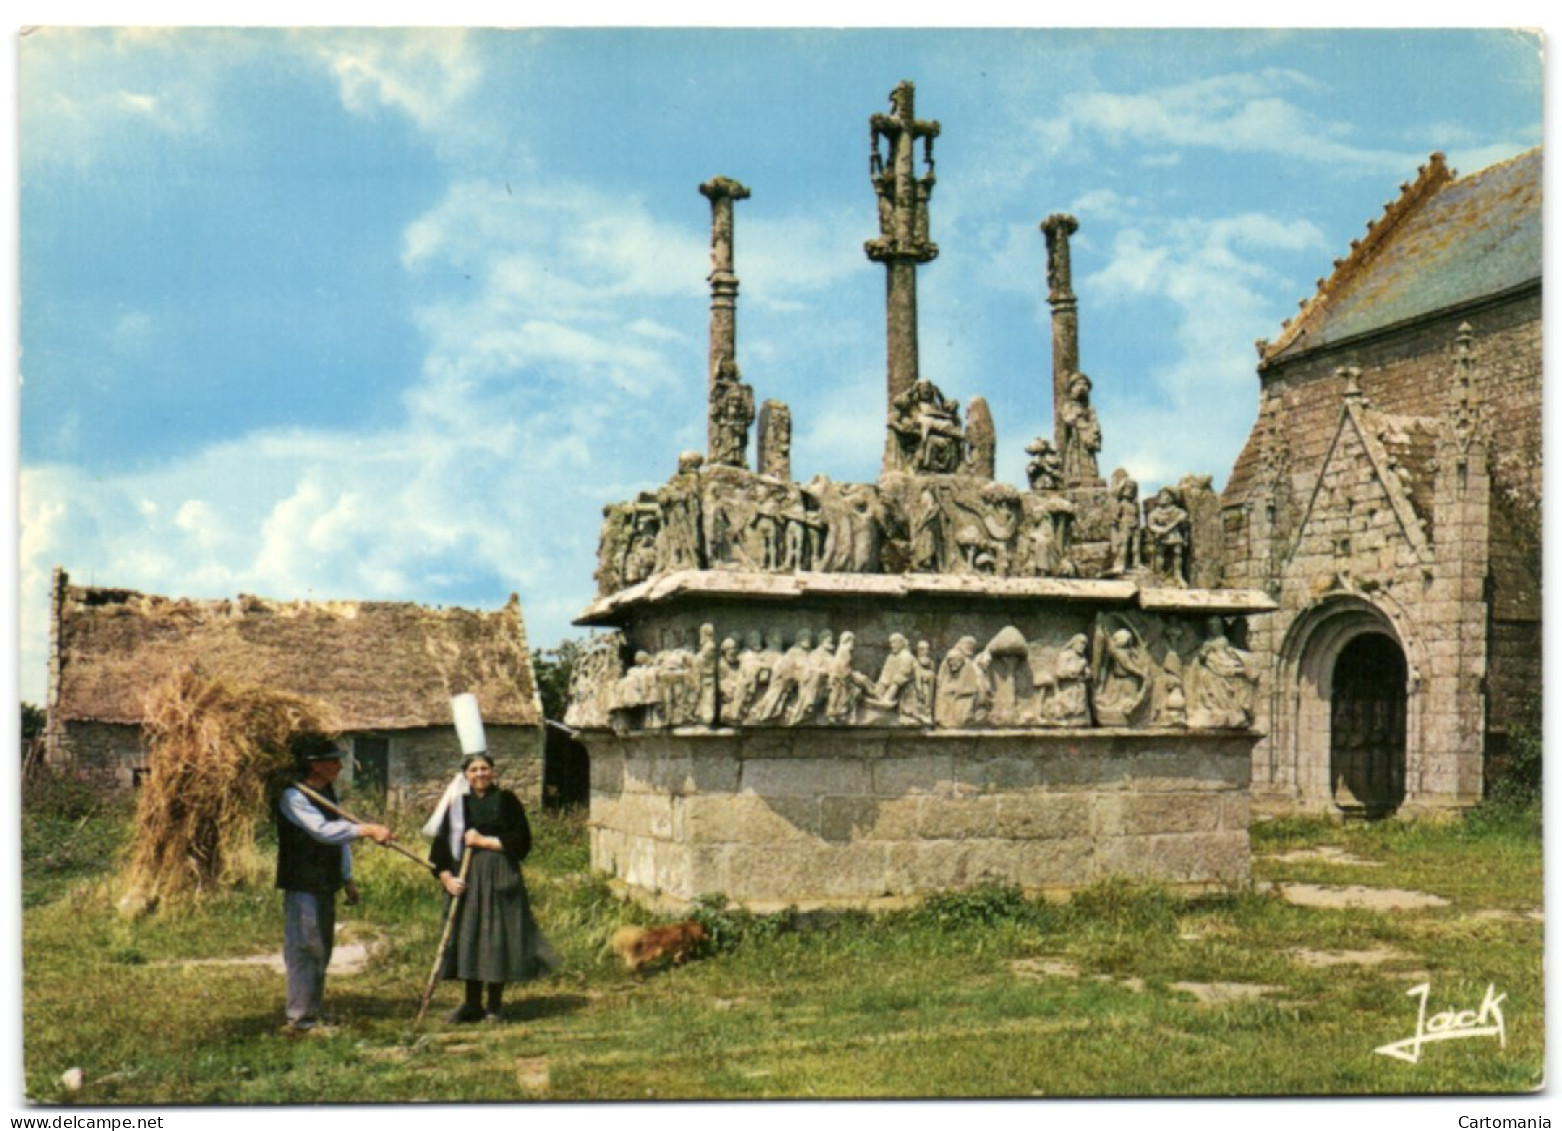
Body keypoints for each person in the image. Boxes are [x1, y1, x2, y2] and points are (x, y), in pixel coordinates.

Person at [276, 733, 391, 1034]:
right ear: (315, 766)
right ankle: (300, 1020)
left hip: (325, 881)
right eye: (333, 761)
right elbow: (324, 832)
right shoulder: (293, 797)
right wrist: (366, 829)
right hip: (302, 882)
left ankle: (313, 1012)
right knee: (305, 948)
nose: (340, 766)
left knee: (322, 948)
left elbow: (340, 842)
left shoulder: (325, 792)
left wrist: (347, 878)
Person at [429, 753, 554, 1023]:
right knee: (469, 936)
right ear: (465, 776)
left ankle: (494, 1006)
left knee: (497, 937)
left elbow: (522, 842)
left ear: (493, 772)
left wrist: (483, 841)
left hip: (500, 876)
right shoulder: (456, 805)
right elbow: (438, 849)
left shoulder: (507, 801)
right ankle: (471, 1004)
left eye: (485, 768)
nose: (480, 774)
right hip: (466, 879)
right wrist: (447, 878)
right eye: (473, 770)